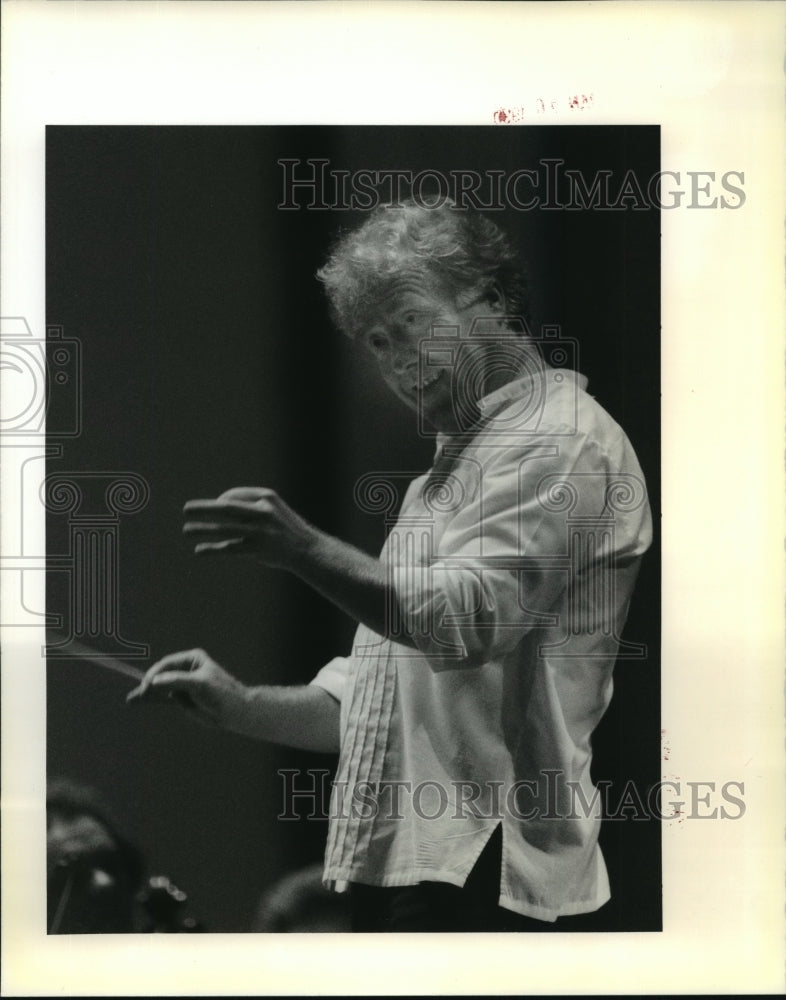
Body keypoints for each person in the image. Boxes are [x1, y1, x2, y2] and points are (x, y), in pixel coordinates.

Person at [128, 200, 652, 932]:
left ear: (494, 301)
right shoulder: (447, 475)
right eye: (377, 341)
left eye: (411, 320)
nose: (400, 358)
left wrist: (305, 549)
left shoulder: (557, 440)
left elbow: (467, 622)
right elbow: (375, 711)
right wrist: (238, 704)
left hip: (484, 867)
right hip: (417, 866)